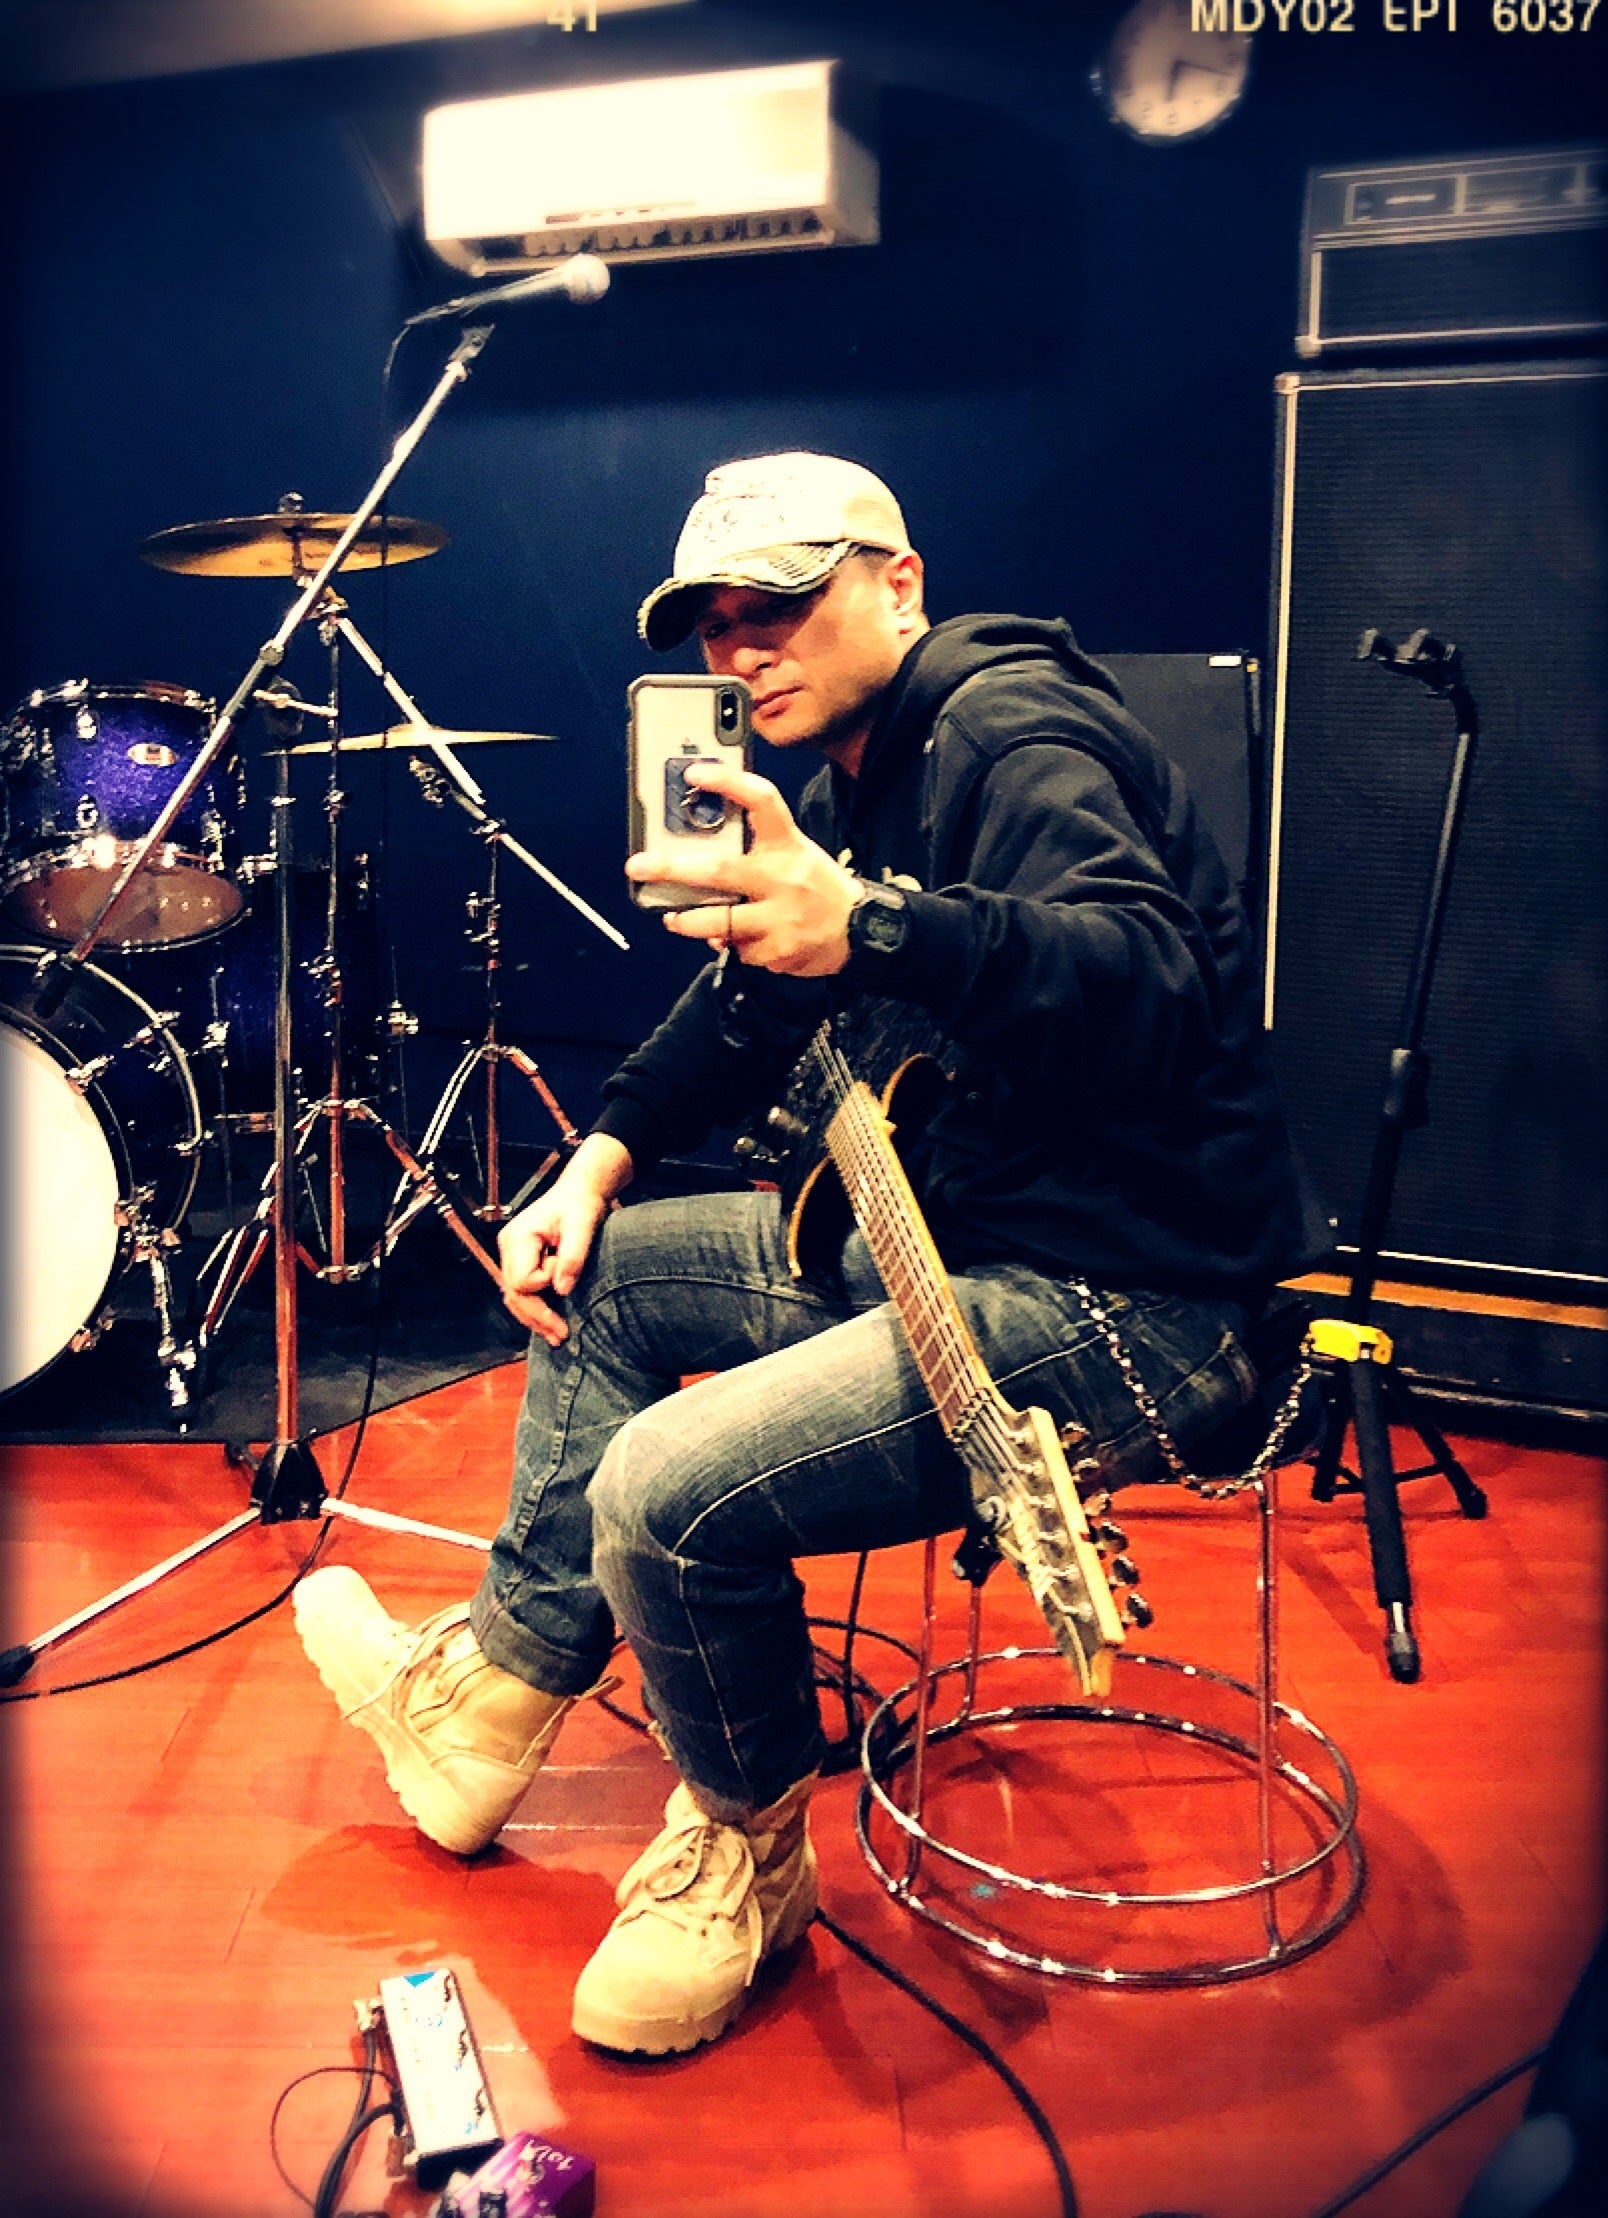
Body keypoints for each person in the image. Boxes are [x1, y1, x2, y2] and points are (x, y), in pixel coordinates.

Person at [293, 451, 1311, 2058]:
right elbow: (748, 1004)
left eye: (778, 600)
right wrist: (595, 1160)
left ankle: (749, 1851)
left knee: (662, 1488)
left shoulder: (1009, 728)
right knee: (604, 1277)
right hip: (960, 1246)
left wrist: (879, 927)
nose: (741, 644)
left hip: (1134, 1296)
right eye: (713, 619)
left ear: (900, 584)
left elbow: (1151, 973)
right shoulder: (848, 782)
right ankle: (494, 1699)